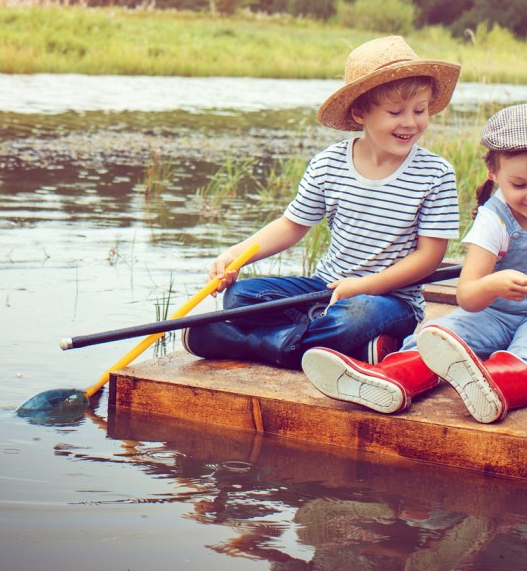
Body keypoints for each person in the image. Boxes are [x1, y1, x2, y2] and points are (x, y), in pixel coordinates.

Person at [302, 102, 527, 423]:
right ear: (494, 175)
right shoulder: (493, 220)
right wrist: (492, 284)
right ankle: (390, 379)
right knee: (439, 334)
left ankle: (495, 384)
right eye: (519, 185)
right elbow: (467, 295)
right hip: (490, 312)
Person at [182, 35, 462, 370]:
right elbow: (291, 226)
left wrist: (364, 286)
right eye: (395, 112)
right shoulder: (329, 164)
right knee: (241, 298)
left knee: (359, 314)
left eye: (420, 110)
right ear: (360, 112)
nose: (411, 122)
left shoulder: (435, 174)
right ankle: (344, 348)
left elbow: (429, 257)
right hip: (324, 289)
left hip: (389, 299)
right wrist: (235, 254)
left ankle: (247, 343)